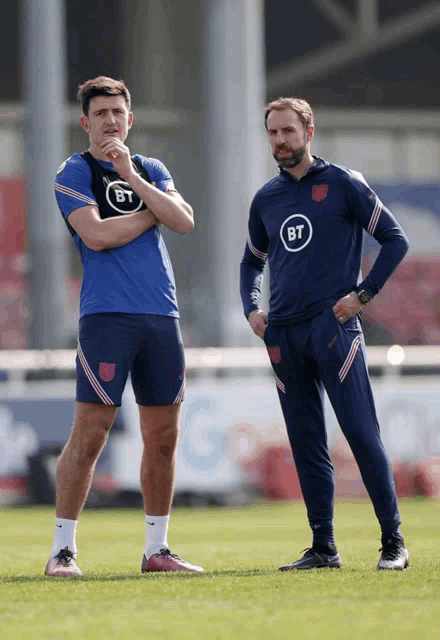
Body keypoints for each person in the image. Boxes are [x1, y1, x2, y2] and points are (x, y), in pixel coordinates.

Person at [240, 97, 410, 571]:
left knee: (360, 432)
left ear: (308, 132)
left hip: (333, 328)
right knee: (306, 441)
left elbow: (396, 240)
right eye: (272, 133)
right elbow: (252, 262)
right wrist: (252, 309)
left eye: (288, 132)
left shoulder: (343, 184)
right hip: (284, 335)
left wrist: (363, 295)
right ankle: (323, 547)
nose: (279, 141)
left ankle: (393, 541)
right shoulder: (266, 199)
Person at [45, 76, 203, 576]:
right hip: (106, 317)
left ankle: (157, 550)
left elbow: (183, 220)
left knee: (163, 437)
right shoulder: (74, 170)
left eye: (119, 112)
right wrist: (150, 212)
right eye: (101, 113)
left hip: (162, 316)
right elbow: (95, 236)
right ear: (85, 121)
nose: (111, 120)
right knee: (90, 433)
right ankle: (62, 551)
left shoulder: (151, 168)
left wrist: (134, 178)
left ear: (130, 119)